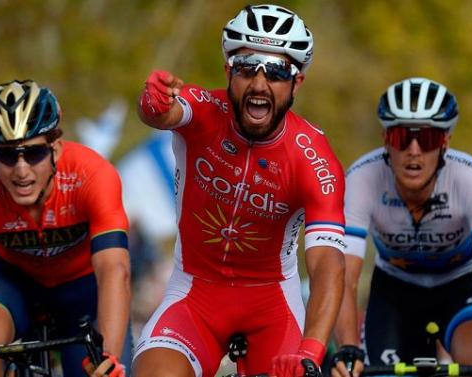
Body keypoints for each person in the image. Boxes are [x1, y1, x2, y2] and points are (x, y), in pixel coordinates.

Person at [131, 4, 347, 377]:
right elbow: (165, 112)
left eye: (278, 72)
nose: (260, 84)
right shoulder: (204, 113)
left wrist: (310, 350)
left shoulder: (314, 158)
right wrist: (151, 104)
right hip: (194, 294)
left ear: (296, 83)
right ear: (229, 72)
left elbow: (328, 264)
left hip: (272, 305)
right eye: (247, 67)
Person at [0, 80, 132, 377]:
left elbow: (114, 270)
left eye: (33, 154)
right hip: (10, 281)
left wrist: (108, 357)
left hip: (84, 288)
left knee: (98, 371)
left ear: (55, 148)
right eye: (7, 155)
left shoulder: (92, 174)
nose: (21, 170)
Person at [330, 77, 472, 377]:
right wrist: (346, 346)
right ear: (385, 138)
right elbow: (343, 277)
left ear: (444, 142)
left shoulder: (470, 178)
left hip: (460, 284)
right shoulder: (361, 178)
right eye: (401, 137)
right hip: (395, 290)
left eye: (427, 139)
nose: (413, 150)